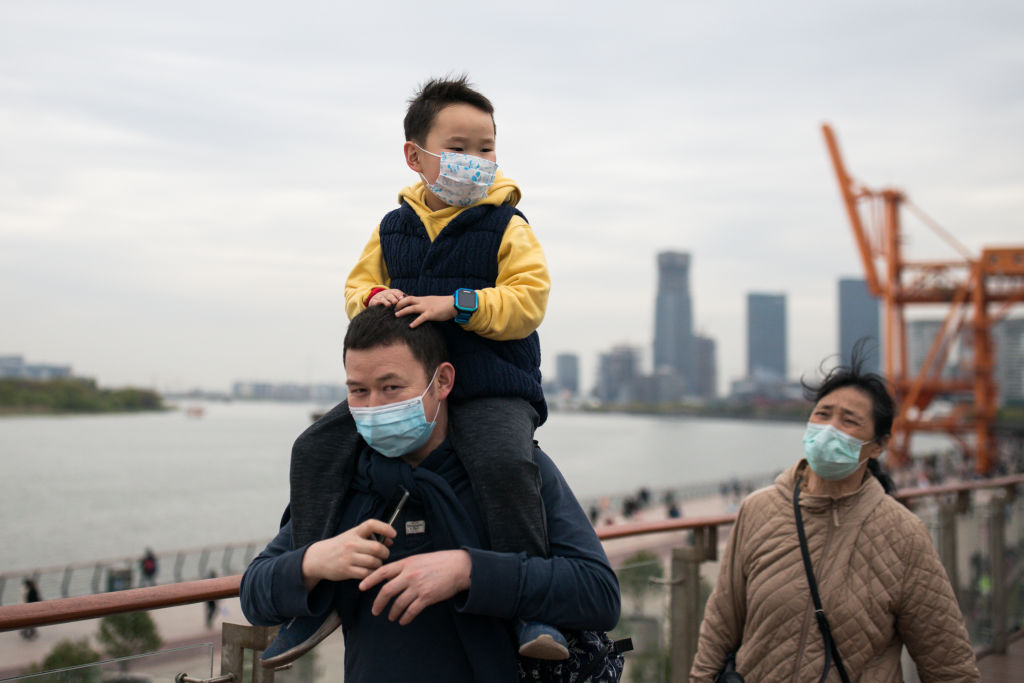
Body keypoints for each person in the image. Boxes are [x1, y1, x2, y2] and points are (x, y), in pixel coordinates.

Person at [240, 307, 620, 680]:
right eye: (358, 390)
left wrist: (468, 571)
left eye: (391, 388)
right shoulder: (342, 484)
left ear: (442, 381)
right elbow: (255, 595)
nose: (374, 407)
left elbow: (599, 593)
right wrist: (312, 562)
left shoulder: (510, 472)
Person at [343, 74, 560, 656]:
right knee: (318, 448)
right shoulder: (391, 228)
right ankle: (308, 586)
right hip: (407, 387)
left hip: (490, 385)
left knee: (505, 463)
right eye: (459, 148)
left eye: (486, 148)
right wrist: (374, 298)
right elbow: (356, 287)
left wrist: (458, 304)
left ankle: (532, 607)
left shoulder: (508, 225)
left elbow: (528, 302)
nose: (476, 160)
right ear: (415, 156)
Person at [690, 346, 981, 682]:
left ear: (878, 445)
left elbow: (948, 662)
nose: (830, 429)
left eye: (849, 420)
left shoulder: (904, 534)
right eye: (823, 414)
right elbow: (721, 623)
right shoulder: (758, 509)